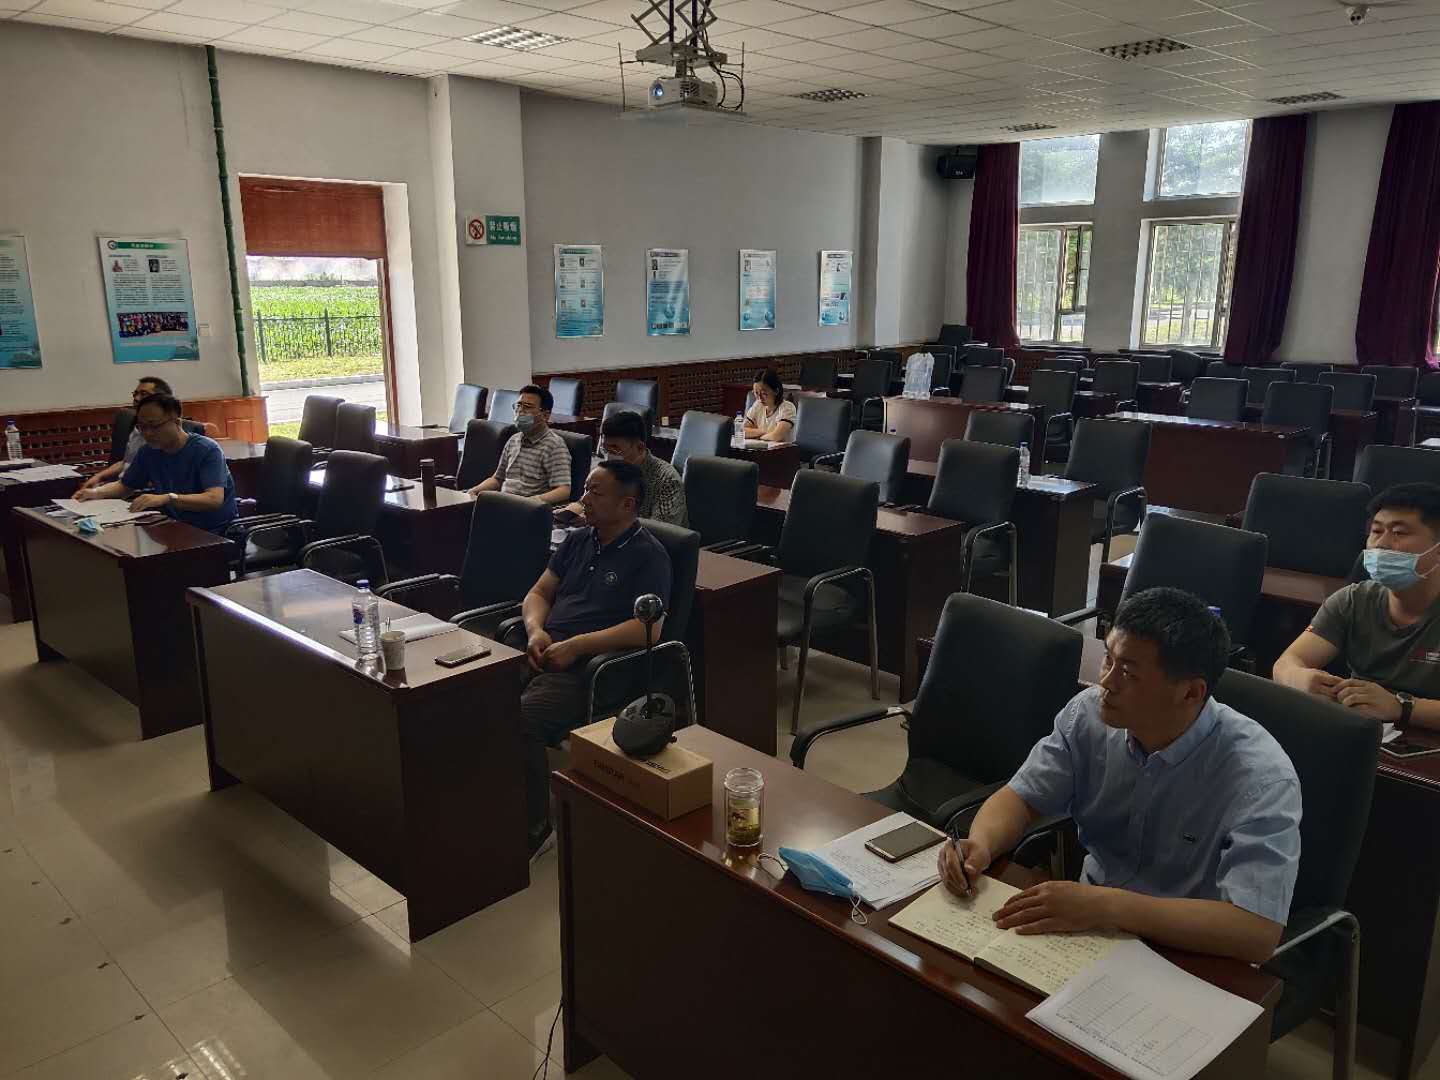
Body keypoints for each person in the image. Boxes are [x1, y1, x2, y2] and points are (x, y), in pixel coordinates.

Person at [940, 587, 1300, 964]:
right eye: (1108, 660)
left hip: (1189, 950)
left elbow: (1257, 931)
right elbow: (1022, 797)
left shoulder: (1260, 777)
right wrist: (981, 844)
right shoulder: (1089, 715)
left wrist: (1107, 906)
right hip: (1088, 922)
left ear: (1191, 693)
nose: (1106, 683)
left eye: (1127, 672)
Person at [519, 459, 673, 857]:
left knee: (519, 719)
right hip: (543, 649)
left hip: (591, 670)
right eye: (586, 489)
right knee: (472, 694)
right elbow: (538, 593)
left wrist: (578, 646)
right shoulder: (577, 540)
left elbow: (649, 629)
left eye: (595, 492)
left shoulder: (648, 555)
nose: (584, 499)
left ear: (627, 504)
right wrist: (535, 630)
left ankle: (536, 827)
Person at [1275, 482, 1440, 730]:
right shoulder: (1353, 600)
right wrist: (1298, 677)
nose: (1381, 543)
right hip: (1361, 731)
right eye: (1376, 531)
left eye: (1399, 533)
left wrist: (1403, 707)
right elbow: (1287, 662)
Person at [75, 392, 238, 533]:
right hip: (175, 528)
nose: (147, 433)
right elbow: (125, 487)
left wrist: (168, 498)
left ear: (177, 422)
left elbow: (213, 499)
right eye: (142, 427)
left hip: (217, 533)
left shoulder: (207, 450)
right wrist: (95, 493)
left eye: (154, 426)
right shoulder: (149, 451)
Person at [558, 408, 687, 527]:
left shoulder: (667, 481)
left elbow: (660, 531)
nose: (608, 456)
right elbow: (586, 501)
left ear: (640, 448)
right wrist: (574, 509)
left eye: (615, 449)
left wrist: (600, 519)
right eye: (605, 449)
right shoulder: (605, 472)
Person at [467, 384, 571, 503]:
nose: (520, 411)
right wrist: (473, 491)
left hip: (528, 508)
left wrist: (530, 502)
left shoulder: (554, 445)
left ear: (545, 415)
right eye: (518, 405)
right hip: (504, 503)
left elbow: (563, 490)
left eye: (527, 407)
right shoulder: (514, 440)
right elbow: (497, 479)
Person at [77, 376, 173, 493]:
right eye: (135, 394)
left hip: (142, 492)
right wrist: (98, 477)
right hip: (122, 486)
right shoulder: (136, 427)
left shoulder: (165, 435)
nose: (136, 398)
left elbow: (153, 478)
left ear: (161, 399)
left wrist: (105, 490)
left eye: (143, 394)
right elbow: (126, 462)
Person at [743, 368, 796, 444]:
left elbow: (776, 436)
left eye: (764, 394)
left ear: (776, 391)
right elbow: (742, 431)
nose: (760, 398)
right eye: (756, 393)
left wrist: (757, 436)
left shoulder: (787, 407)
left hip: (782, 450)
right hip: (761, 448)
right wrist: (765, 432)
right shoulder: (758, 405)